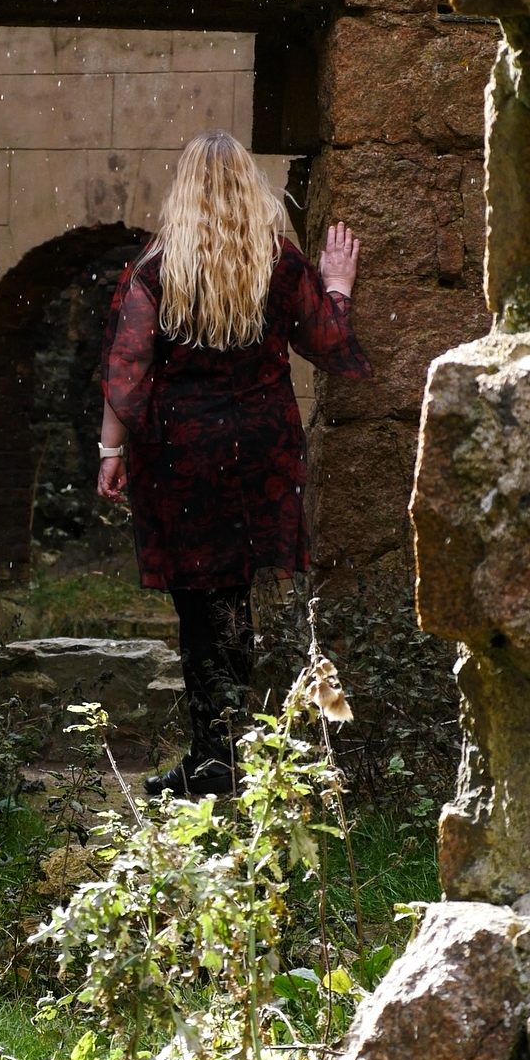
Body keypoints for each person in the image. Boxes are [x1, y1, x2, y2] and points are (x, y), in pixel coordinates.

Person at [97, 130, 372, 797]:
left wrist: (109, 449)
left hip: (182, 452)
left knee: (198, 603)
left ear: (184, 192)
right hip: (258, 450)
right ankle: (225, 754)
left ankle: (211, 757)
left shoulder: (159, 268)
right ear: (250, 189)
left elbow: (128, 368)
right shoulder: (277, 263)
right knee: (235, 595)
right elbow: (329, 345)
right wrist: (337, 286)